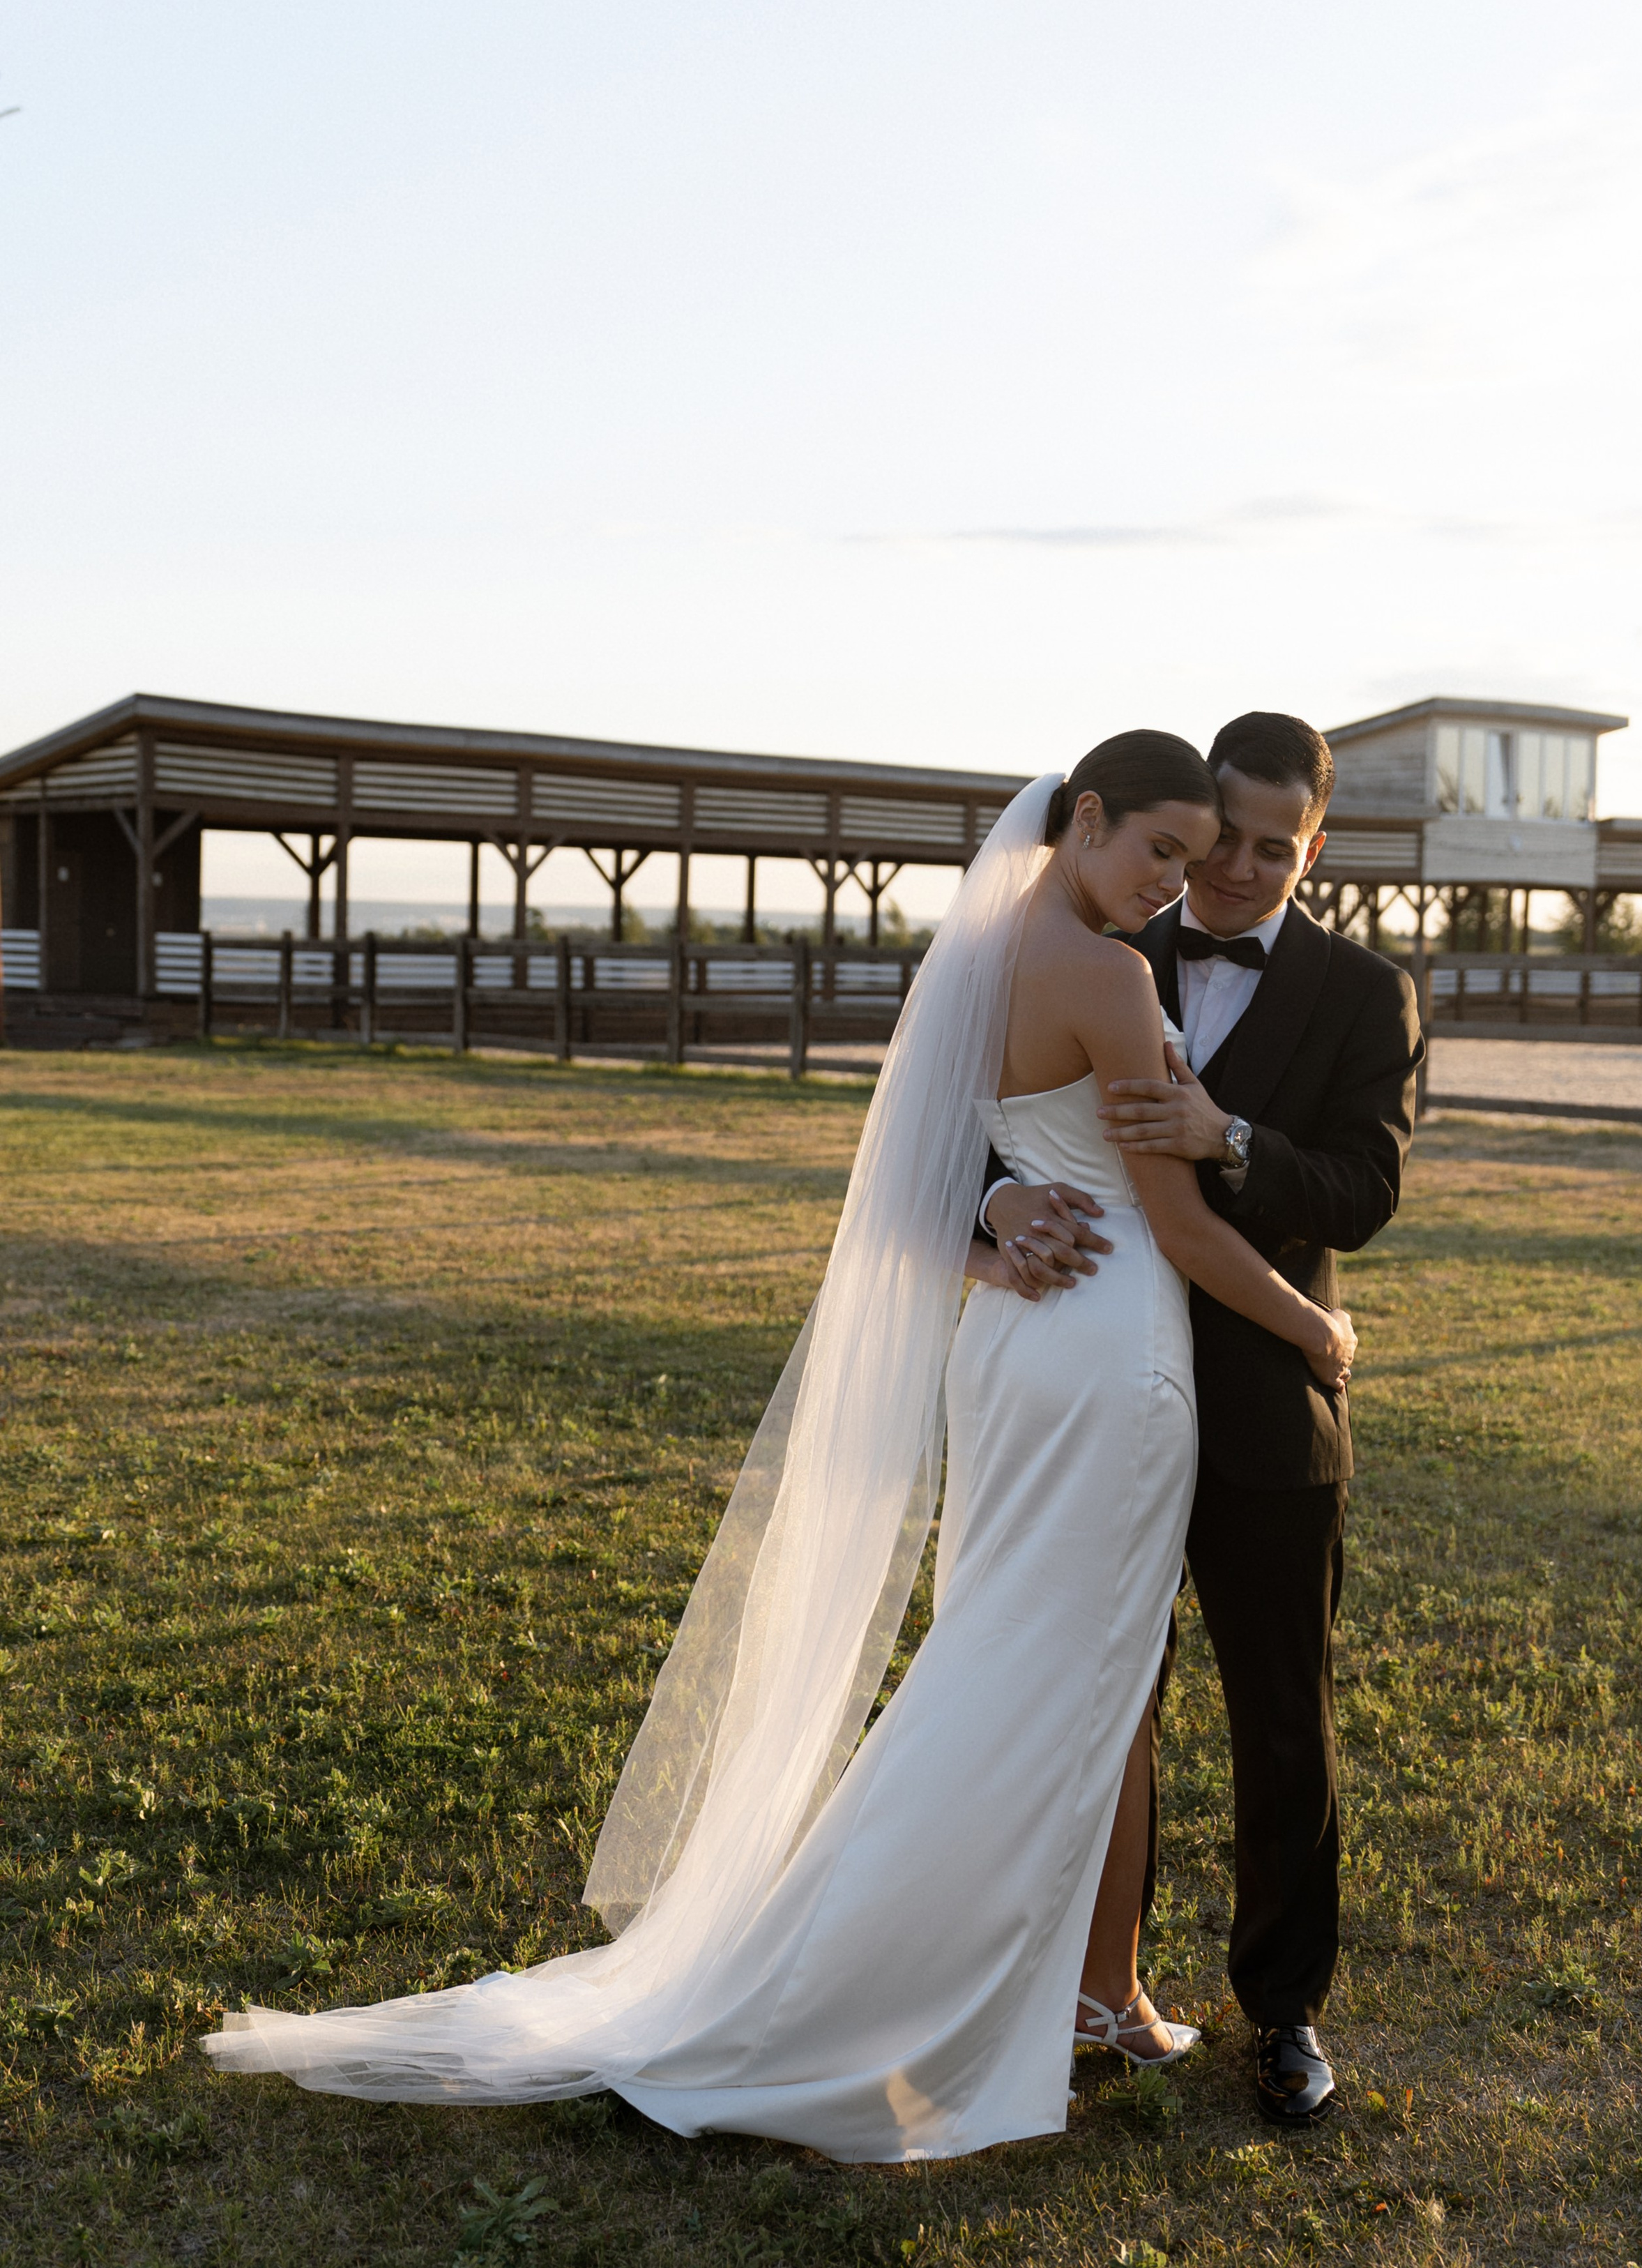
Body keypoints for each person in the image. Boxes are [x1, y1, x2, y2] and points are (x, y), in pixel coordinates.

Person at [204, 732, 1353, 2165]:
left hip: (1013, 1347)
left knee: (1050, 1668)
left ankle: (1099, 1990)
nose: (1175, 882)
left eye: (1196, 859)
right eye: (1159, 851)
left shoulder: (979, 955)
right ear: (1083, 819)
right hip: (1107, 1356)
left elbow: (928, 1165)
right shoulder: (1114, 975)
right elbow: (1171, 1225)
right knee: (1040, 1675)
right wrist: (1314, 1328)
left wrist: (997, 1223)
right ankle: (854, 1990)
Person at [977, 711, 1422, 2124]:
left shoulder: (1366, 995)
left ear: (1314, 850)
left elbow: (1361, 1192)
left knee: (1281, 1719)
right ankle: (1093, 1980)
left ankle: (1281, 2012)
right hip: (1094, 1389)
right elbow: (958, 1128)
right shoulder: (1107, 932)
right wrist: (998, 1205)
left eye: (1271, 850)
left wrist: (1229, 1140)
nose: (1229, 871)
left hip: (1257, 1415)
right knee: (1098, 1699)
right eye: (1219, 837)